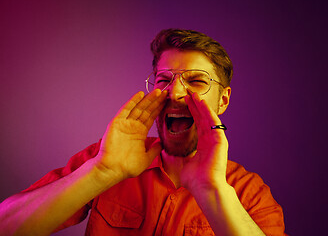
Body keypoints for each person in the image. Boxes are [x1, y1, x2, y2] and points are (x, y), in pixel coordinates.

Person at [0, 29, 286, 235]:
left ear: (223, 100)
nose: (174, 92)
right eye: (164, 79)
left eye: (196, 81)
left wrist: (212, 191)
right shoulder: (108, 157)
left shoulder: (250, 193)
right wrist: (102, 172)